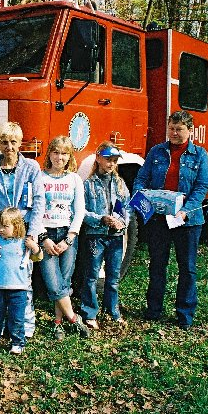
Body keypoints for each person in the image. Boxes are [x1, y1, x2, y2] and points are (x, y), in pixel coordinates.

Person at [133, 110, 208, 330]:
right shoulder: (157, 152)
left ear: (190, 130)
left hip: (187, 221)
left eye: (179, 129)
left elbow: (201, 188)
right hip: (159, 219)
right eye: (171, 129)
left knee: (187, 268)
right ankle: (153, 310)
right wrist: (143, 199)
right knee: (158, 265)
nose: (174, 133)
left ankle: (184, 314)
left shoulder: (199, 155)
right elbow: (141, 179)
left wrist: (185, 211)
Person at [0, 122, 45, 338]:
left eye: (13, 142)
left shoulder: (32, 168)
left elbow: (38, 201)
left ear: (20, 143)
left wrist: (32, 233)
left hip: (23, 233)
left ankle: (23, 326)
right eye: (4, 142)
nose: (9, 146)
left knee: (23, 280)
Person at [40, 136, 89, 340]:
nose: (59, 157)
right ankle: (73, 318)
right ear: (49, 153)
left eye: (64, 153)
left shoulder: (74, 179)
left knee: (64, 280)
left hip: (68, 235)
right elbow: (34, 210)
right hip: (47, 235)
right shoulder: (40, 178)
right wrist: (44, 238)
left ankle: (58, 322)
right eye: (56, 152)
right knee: (53, 283)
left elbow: (80, 211)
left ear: (69, 157)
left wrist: (69, 239)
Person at [80, 141, 131, 330]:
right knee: (92, 274)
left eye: (115, 160)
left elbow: (126, 208)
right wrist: (101, 219)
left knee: (113, 276)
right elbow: (81, 212)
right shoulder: (88, 185)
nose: (111, 164)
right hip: (96, 236)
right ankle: (89, 312)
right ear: (98, 158)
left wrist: (122, 222)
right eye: (108, 159)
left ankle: (112, 310)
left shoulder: (119, 183)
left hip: (116, 236)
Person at [0, 207, 43, 355]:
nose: (1, 229)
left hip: (19, 289)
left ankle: (17, 343)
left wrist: (34, 247)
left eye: (5, 226)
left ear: (17, 226)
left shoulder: (24, 243)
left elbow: (38, 257)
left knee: (17, 319)